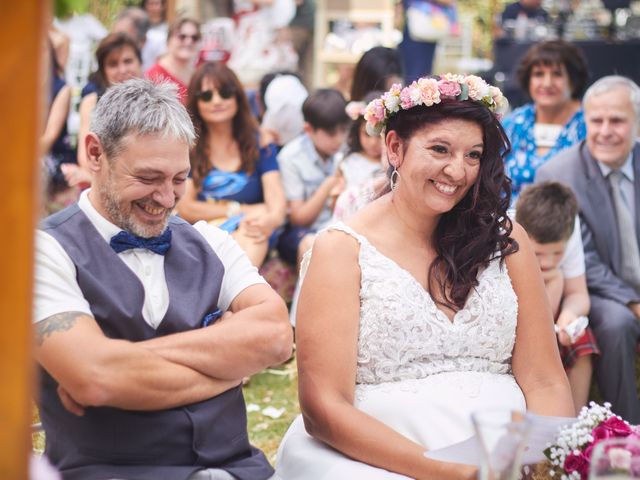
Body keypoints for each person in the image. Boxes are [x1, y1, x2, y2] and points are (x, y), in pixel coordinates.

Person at [274, 74, 574, 479]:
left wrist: (537, 457)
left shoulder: (506, 241)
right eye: (440, 149)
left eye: (473, 155)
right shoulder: (341, 250)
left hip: (508, 451)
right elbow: (324, 406)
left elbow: (545, 381)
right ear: (394, 147)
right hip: (386, 458)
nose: (458, 170)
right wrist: (453, 472)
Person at [34, 78, 293, 479]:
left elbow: (277, 336)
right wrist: (226, 363)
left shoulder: (209, 239)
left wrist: (120, 363)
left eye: (178, 179)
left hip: (238, 469)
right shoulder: (44, 250)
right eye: (148, 178)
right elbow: (94, 380)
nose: (167, 200)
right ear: (95, 153)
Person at [536, 75, 640, 423]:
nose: (605, 131)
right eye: (596, 120)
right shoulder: (559, 174)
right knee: (615, 324)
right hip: (600, 293)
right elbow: (587, 262)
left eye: (617, 121)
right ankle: (628, 434)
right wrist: (634, 303)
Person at [177, 62, 287, 268]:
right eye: (207, 96)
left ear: (237, 97)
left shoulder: (260, 143)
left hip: (253, 230)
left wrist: (267, 220)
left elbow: (277, 205)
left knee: (252, 233)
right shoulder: (188, 147)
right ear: (196, 102)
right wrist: (240, 210)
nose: (217, 101)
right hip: (207, 233)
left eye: (225, 93)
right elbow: (187, 207)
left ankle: (233, 297)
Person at [515, 182, 598, 414]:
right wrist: (555, 278)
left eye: (557, 253)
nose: (548, 261)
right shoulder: (510, 235)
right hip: (520, 315)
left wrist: (569, 316)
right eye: (539, 253)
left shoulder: (568, 228)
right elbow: (534, 319)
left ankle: (574, 426)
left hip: (552, 309)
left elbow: (579, 294)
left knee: (583, 342)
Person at [502, 40, 588, 200]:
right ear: (528, 80)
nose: (547, 83)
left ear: (573, 80)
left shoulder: (591, 124)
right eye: (539, 74)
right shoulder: (513, 123)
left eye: (557, 74)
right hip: (509, 219)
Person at [276, 88, 350, 266]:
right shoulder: (291, 157)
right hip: (302, 233)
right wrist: (329, 184)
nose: (339, 139)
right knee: (315, 245)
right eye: (331, 134)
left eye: (343, 130)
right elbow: (298, 219)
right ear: (309, 129)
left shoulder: (347, 147)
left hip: (342, 225)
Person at [65, 33, 143, 188]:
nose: (122, 69)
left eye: (128, 61)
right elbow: (86, 158)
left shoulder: (154, 101)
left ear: (140, 62)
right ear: (103, 71)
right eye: (113, 64)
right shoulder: (92, 102)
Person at [146, 17, 201, 104]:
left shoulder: (199, 73)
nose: (188, 42)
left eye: (194, 37)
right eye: (182, 37)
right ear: (168, 40)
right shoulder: (154, 75)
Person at [340, 91, 385, 188]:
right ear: (357, 132)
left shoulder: (393, 165)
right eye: (366, 134)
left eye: (380, 136)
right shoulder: (348, 162)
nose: (373, 143)